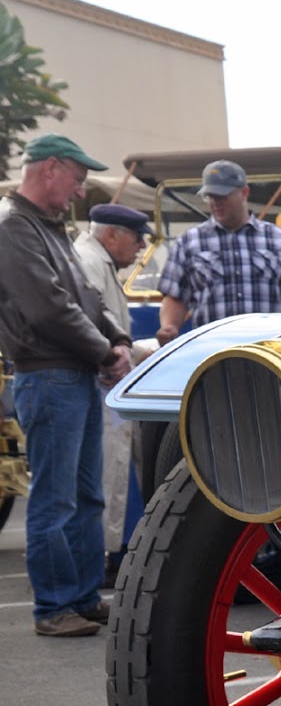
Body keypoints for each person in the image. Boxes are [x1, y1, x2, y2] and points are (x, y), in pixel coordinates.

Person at [0, 134, 133, 637]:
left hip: (67, 372)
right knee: (59, 498)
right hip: (51, 373)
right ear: (50, 168)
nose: (80, 191)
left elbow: (83, 298)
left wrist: (115, 338)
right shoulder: (15, 227)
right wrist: (107, 349)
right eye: (77, 179)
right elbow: (50, 308)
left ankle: (76, 598)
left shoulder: (41, 226)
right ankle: (55, 606)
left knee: (81, 496)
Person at [74, 203, 151, 583]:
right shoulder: (90, 262)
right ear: (112, 234)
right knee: (109, 470)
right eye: (136, 237)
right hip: (103, 379)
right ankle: (106, 556)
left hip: (110, 376)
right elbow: (91, 325)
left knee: (115, 468)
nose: (140, 246)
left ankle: (110, 553)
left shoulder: (97, 261)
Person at [155, 159, 281, 343]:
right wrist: (169, 327)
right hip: (211, 351)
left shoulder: (276, 238)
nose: (215, 203)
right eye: (210, 197)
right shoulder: (189, 242)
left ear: (244, 193)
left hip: (269, 351)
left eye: (222, 196)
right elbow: (175, 297)